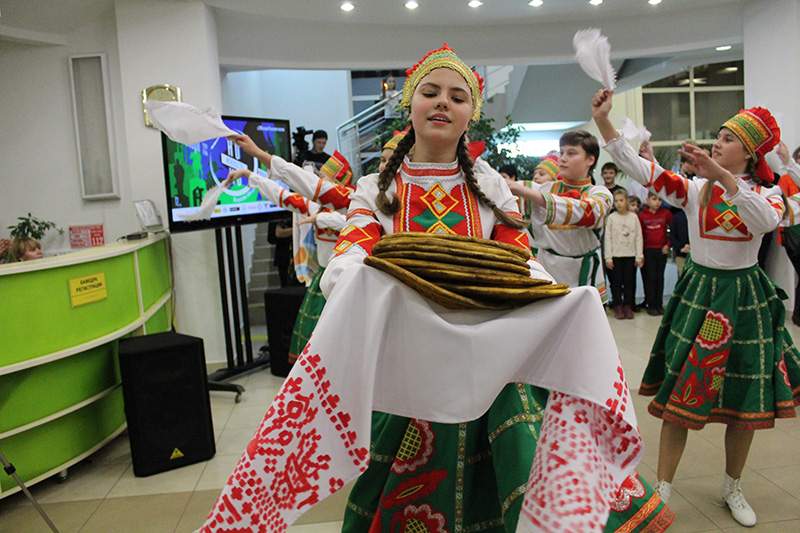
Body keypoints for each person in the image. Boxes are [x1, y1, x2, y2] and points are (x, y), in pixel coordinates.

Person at [319, 44, 670, 533]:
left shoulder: (489, 188)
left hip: (489, 365)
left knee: (509, 477)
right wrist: (369, 292)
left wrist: (558, 301)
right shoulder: (376, 187)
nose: (443, 103)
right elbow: (347, 260)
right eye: (431, 92)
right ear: (409, 104)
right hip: (410, 365)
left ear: (470, 114)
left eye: (458, 97)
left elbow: (522, 262)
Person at [593, 88, 800, 527]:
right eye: (718, 137)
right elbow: (644, 171)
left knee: (744, 398)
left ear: (749, 153)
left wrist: (721, 177)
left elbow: (765, 221)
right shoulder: (694, 190)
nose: (716, 144)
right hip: (700, 296)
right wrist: (605, 122)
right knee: (681, 392)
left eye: (727, 139)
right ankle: (663, 488)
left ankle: (732, 486)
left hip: (744, 298)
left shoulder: (769, 194)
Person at [505, 130, 612, 302]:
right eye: (561, 152)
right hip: (547, 269)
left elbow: (585, 212)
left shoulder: (600, 193)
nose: (563, 158)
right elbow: (500, 186)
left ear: (590, 160)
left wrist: (529, 193)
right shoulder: (545, 188)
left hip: (582, 272)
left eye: (571, 153)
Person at [604, 188, 643, 319]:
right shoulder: (611, 218)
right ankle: (617, 305)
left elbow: (638, 237)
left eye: (621, 200)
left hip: (630, 255)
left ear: (627, 201)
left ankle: (628, 305)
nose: (619, 203)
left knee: (629, 282)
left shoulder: (634, 217)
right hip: (615, 256)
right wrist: (608, 257)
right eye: (616, 201)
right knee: (616, 282)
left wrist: (639, 256)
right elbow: (607, 239)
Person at [639, 192, 672, 315]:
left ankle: (659, 304)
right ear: (647, 200)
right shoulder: (642, 216)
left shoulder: (666, 213)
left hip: (661, 250)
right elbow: (639, 235)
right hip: (647, 250)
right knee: (650, 278)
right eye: (654, 199)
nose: (657, 202)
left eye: (659, 199)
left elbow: (672, 230)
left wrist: (668, 245)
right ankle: (650, 304)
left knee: (659, 277)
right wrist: (640, 252)